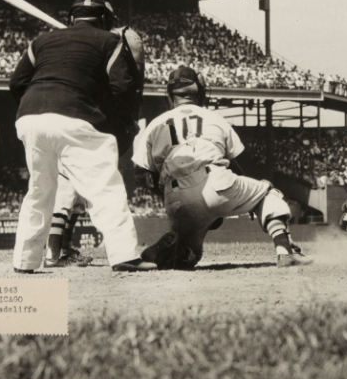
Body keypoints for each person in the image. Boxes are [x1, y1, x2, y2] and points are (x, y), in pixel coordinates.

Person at [9, 0, 155, 273]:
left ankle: (24, 261)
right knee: (105, 188)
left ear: (72, 18)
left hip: (30, 118)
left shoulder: (41, 41)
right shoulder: (110, 41)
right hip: (77, 117)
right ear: (105, 19)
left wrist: (41, 108)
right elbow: (123, 89)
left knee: (40, 191)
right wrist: (111, 119)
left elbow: (17, 83)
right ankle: (124, 254)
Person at [133, 65, 312, 269]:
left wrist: (168, 195)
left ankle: (175, 244)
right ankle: (285, 250)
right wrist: (245, 193)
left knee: (191, 256)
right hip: (214, 181)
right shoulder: (214, 118)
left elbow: (142, 174)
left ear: (170, 94)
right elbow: (242, 162)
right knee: (267, 192)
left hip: (175, 199)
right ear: (199, 92)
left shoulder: (156, 123)